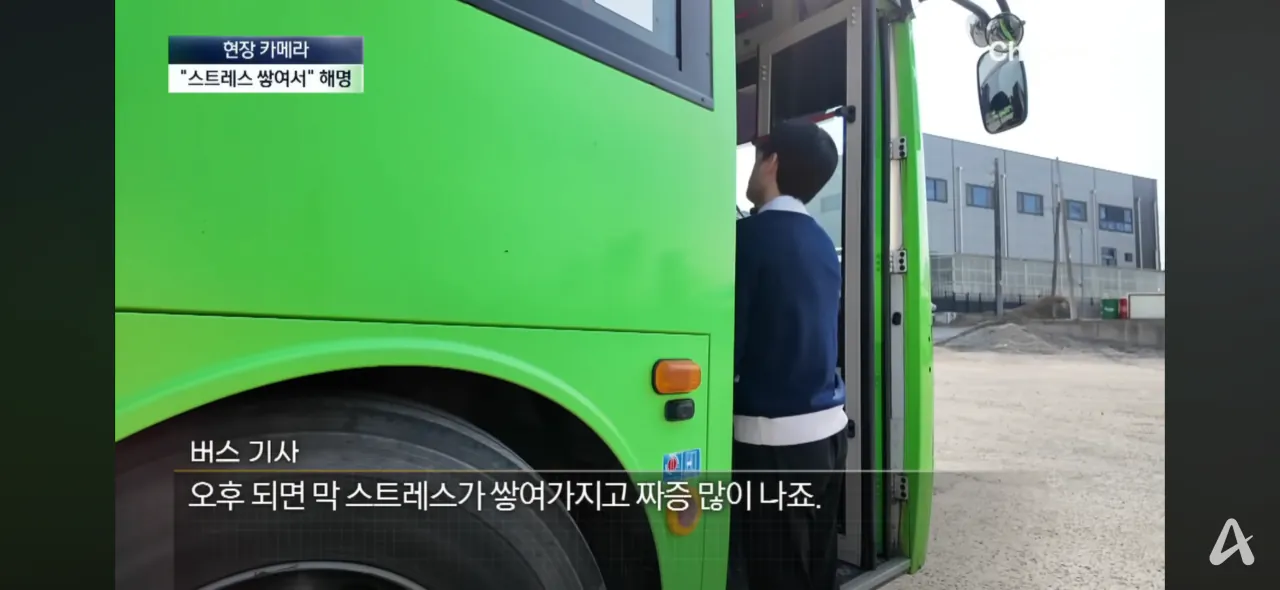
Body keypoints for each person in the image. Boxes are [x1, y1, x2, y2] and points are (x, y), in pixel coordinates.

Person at [730, 119, 848, 590]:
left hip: (771, 441)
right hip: (827, 434)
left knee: (775, 574)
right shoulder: (822, 243)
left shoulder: (748, 238)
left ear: (772, 163)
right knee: (817, 568)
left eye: (758, 155)